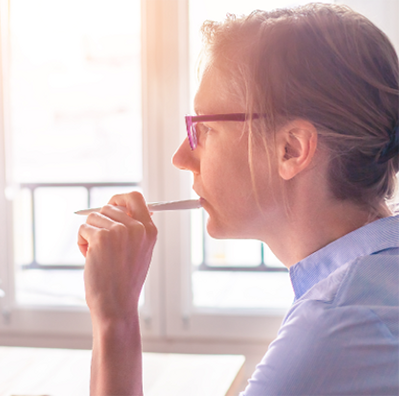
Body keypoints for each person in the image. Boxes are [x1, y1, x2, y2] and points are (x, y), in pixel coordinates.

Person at [78, 3, 399, 395]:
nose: (181, 157)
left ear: (291, 150)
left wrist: (115, 317)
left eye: (204, 128)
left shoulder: (336, 326)